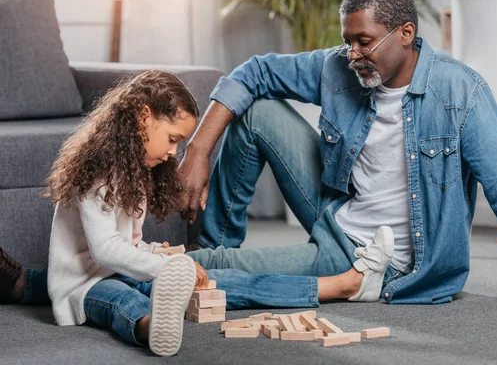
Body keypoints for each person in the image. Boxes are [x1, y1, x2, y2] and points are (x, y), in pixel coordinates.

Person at [178, 0, 497, 316]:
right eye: (348, 42)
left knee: (209, 270)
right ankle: (212, 242)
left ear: (405, 33)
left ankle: (180, 266)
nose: (352, 55)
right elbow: (253, 72)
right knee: (257, 110)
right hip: (338, 213)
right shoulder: (342, 65)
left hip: (375, 260)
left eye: (363, 42)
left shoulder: (460, 92)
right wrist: (197, 151)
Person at [0, 71, 396, 353]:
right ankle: (151, 327)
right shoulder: (98, 173)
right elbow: (104, 250)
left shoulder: (139, 169)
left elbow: (128, 242)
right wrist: (166, 270)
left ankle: (341, 285)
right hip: (86, 282)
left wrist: (158, 253)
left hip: (129, 268)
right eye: (172, 139)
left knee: (227, 281)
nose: (175, 152)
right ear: (142, 119)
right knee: (119, 301)